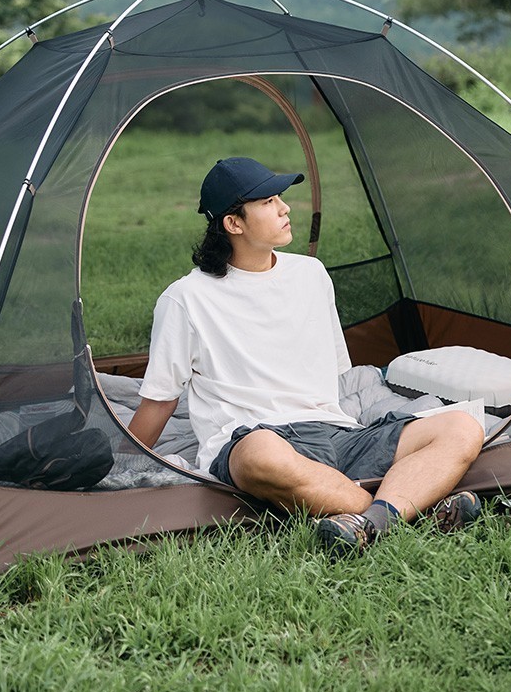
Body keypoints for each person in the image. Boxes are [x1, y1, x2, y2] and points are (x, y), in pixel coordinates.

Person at [127, 156, 485, 553]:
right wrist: (119, 469)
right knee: (262, 453)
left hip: (337, 433)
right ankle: (405, 510)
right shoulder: (185, 299)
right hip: (254, 441)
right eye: (268, 202)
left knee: (462, 427)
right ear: (233, 223)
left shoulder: (311, 274)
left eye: (280, 197)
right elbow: (160, 400)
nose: (285, 208)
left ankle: (370, 522)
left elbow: (335, 371)